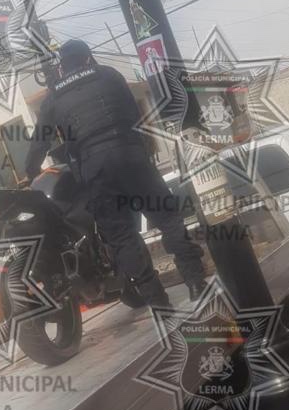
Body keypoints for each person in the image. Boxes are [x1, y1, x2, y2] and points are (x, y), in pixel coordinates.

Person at [25, 40, 206, 308]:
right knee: (168, 220)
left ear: (62, 66)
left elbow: (40, 141)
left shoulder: (54, 97)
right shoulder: (109, 74)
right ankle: (195, 283)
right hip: (131, 155)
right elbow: (134, 114)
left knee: (122, 238)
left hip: (96, 171)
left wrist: (31, 173)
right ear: (88, 58)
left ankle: (158, 302)